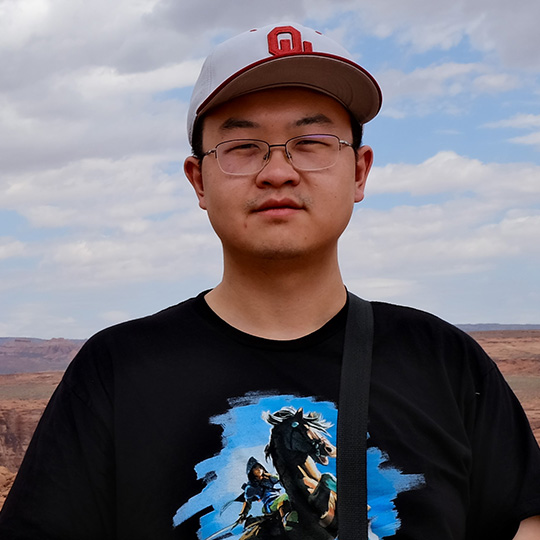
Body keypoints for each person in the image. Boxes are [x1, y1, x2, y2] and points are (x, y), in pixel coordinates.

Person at [0, 21, 539, 540]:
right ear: (198, 180)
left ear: (359, 172)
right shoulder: (116, 370)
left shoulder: (444, 360)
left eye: (312, 142)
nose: (277, 171)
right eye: (242, 147)